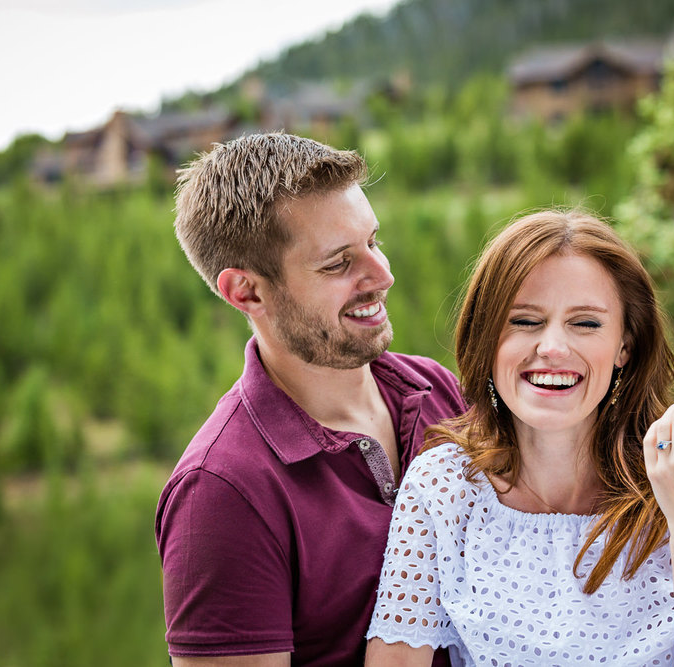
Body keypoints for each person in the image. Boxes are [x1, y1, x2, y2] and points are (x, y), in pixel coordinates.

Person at [365, 210, 674, 666]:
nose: (552, 347)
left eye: (586, 324)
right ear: (487, 339)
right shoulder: (445, 487)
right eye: (524, 321)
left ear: (625, 346)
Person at [155, 132, 466, 666]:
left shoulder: (436, 389)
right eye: (338, 264)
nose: (382, 275)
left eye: (375, 241)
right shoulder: (221, 493)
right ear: (246, 292)